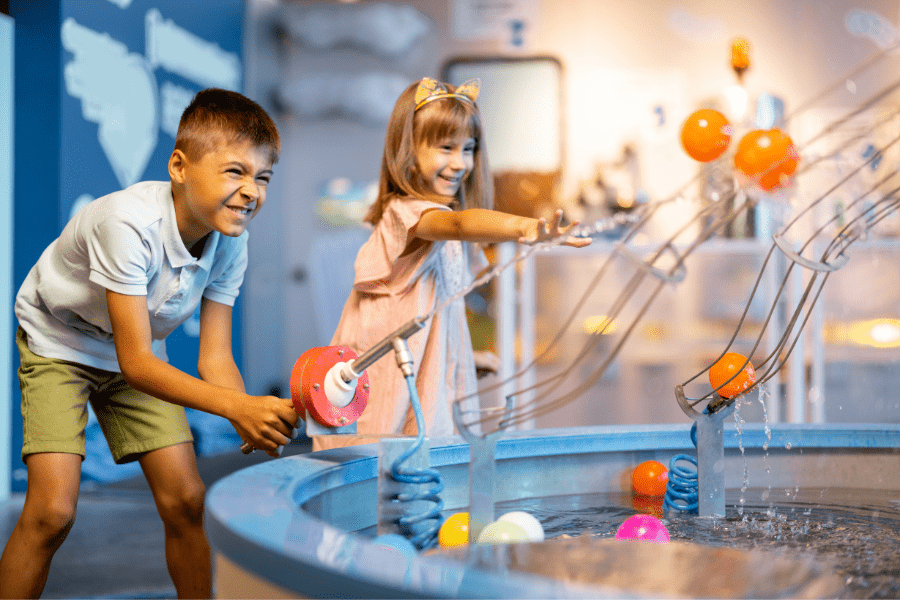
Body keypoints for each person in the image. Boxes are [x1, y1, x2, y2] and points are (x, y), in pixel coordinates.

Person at [0, 88, 299, 599]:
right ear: (179, 166)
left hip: (134, 351)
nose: (252, 191)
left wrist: (247, 413)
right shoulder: (128, 222)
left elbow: (215, 356)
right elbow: (135, 363)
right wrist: (239, 407)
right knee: (52, 512)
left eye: (263, 177)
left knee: (186, 499)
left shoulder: (233, 241)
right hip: (61, 343)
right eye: (235, 172)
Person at [313, 77, 590, 452]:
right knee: (379, 461)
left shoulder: (445, 228)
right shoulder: (408, 215)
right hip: (384, 386)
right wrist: (526, 226)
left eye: (469, 148)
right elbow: (459, 225)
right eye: (446, 147)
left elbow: (428, 313)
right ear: (408, 150)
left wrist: (459, 352)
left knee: (423, 468)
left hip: (419, 383)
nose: (460, 163)